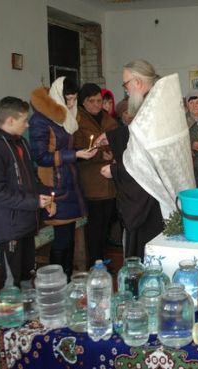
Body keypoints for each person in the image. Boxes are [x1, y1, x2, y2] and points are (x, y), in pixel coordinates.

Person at [98, 60, 195, 258]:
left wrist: (115, 171)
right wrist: (111, 137)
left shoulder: (153, 108)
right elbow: (140, 136)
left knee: (150, 250)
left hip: (153, 197)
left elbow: (144, 161)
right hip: (162, 188)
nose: (125, 90)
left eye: (126, 84)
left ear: (138, 82)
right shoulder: (156, 105)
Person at [0, 96, 54, 288]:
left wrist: (47, 196)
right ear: (10, 120)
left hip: (26, 222)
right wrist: (34, 202)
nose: (27, 125)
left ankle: (26, 317)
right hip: (9, 227)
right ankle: (11, 318)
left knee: (28, 276)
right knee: (12, 282)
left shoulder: (20, 143)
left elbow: (33, 180)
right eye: (24, 120)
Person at [29, 77, 96, 277]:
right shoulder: (40, 119)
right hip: (54, 184)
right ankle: (56, 282)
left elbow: (66, 149)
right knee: (62, 238)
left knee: (69, 237)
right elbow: (40, 157)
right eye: (68, 99)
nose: (70, 104)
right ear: (57, 95)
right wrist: (74, 154)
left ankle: (66, 279)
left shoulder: (67, 117)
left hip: (69, 180)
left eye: (74, 99)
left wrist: (83, 152)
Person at [73, 83, 119, 266]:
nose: (96, 105)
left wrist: (114, 153)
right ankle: (95, 262)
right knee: (95, 226)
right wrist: (102, 153)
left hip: (109, 182)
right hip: (91, 180)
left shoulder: (108, 119)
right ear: (83, 103)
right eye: (91, 101)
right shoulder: (77, 121)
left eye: (99, 100)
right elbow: (77, 150)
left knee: (106, 224)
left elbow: (118, 141)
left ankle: (103, 258)